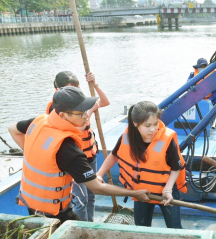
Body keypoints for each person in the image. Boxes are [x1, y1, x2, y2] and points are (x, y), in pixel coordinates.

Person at [8, 86, 150, 223]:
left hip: (32, 205)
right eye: (80, 113)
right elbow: (96, 187)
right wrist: (135, 194)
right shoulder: (66, 148)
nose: (86, 117)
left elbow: (12, 129)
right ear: (63, 115)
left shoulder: (38, 121)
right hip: (55, 214)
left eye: (86, 111)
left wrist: (37, 155)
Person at [97, 101, 187, 228]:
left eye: (156, 124)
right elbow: (114, 155)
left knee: (174, 226)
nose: (153, 129)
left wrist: (168, 189)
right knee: (141, 227)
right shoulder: (127, 137)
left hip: (165, 191)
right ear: (135, 124)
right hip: (141, 192)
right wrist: (99, 174)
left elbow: (176, 168)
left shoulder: (167, 141)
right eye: (147, 125)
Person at [46, 71, 110, 222]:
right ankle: (83, 231)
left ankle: (90, 224)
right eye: (69, 88)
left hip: (90, 155)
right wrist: (86, 114)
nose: (73, 91)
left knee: (92, 195)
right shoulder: (57, 108)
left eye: (75, 87)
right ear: (59, 89)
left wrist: (94, 84)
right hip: (75, 160)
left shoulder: (82, 104)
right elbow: (70, 130)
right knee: (81, 200)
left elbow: (105, 102)